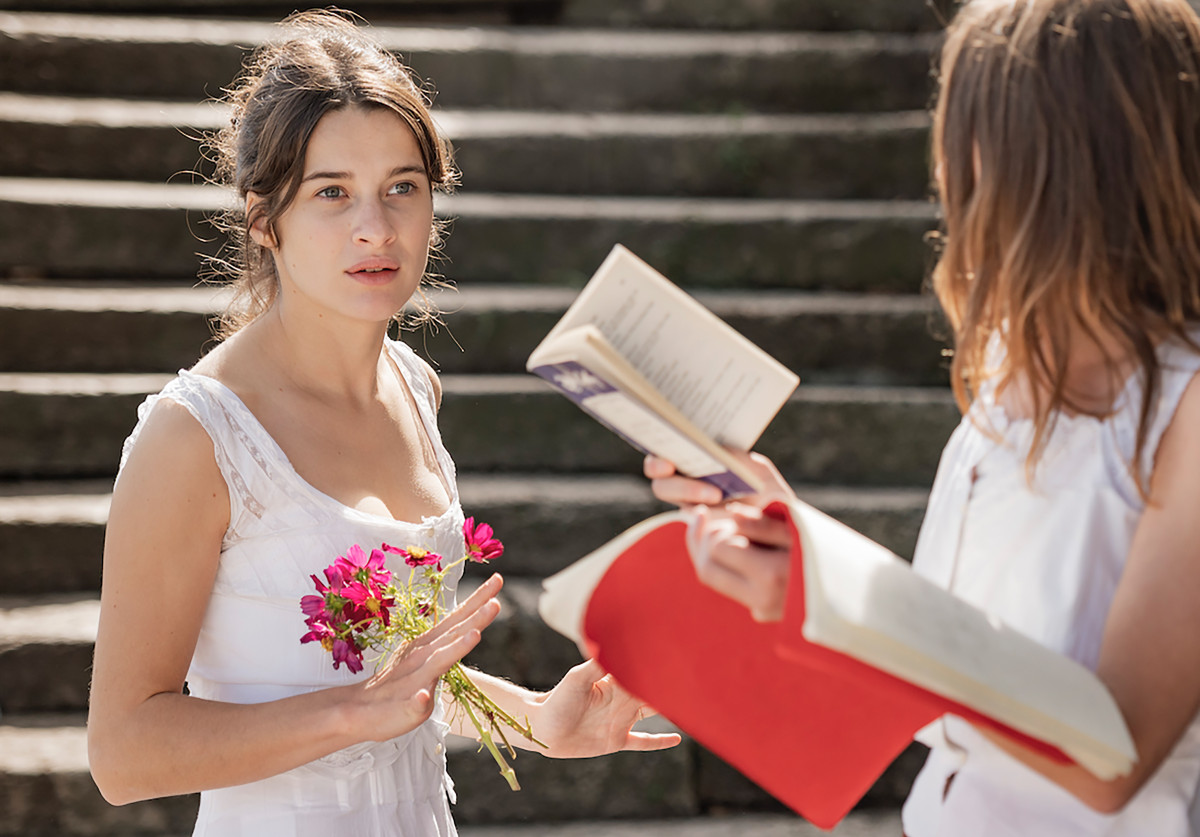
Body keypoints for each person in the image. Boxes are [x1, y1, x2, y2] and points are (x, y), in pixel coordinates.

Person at [86, 10, 679, 836]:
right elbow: (122, 754)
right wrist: (349, 712)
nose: (376, 227)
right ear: (263, 219)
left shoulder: (414, 386)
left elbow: (402, 674)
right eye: (332, 192)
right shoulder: (196, 438)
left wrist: (538, 720)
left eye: (402, 187)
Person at [646, 0, 1200, 833]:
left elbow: (1111, 753)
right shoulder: (1012, 376)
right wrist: (799, 540)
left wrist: (845, 597)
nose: (947, 171)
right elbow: (951, 667)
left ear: (1062, 166)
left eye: (971, 133)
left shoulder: (1187, 403)